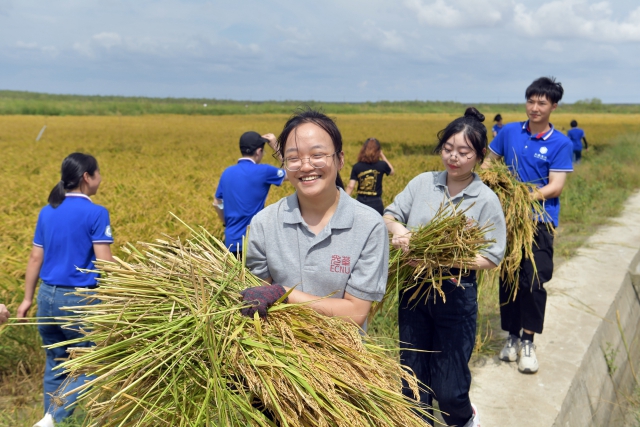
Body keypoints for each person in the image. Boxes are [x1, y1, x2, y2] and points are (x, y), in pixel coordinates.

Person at [384, 107, 507, 427]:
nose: (453, 157)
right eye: (448, 149)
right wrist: (401, 232)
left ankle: (464, 419)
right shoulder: (423, 183)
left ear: (479, 156)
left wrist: (444, 259)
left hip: (456, 292)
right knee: (412, 379)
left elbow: (492, 257)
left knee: (449, 388)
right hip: (413, 290)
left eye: (463, 152)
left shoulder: (485, 199)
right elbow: (390, 214)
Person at [242, 109, 388, 329]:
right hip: (279, 354)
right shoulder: (264, 223)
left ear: (340, 159)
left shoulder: (369, 225)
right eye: (293, 158)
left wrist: (285, 295)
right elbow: (255, 298)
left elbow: (356, 312)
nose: (306, 166)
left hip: (345, 357)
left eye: (317, 155)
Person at [482, 77, 573, 374]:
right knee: (509, 278)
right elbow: (488, 164)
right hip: (508, 220)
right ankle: (511, 336)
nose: (535, 107)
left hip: (539, 221)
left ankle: (529, 340)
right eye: (531, 101)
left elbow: (555, 186)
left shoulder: (560, 142)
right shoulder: (508, 132)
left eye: (542, 103)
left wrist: (523, 196)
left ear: (554, 106)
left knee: (533, 281)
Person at [16, 153, 115, 424]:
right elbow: (105, 264)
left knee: (56, 365)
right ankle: (53, 419)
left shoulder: (48, 211)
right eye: (98, 173)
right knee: (93, 361)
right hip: (79, 301)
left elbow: (36, 257)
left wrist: (27, 299)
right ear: (86, 177)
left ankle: (51, 420)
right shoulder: (96, 213)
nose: (100, 179)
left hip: (46, 298)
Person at [213, 131, 286, 259]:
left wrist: (227, 223)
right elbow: (293, 173)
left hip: (231, 242)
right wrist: (276, 146)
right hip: (255, 242)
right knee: (259, 279)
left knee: (235, 278)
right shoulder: (264, 171)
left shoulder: (227, 172)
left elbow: (217, 203)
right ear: (258, 151)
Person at [345, 137, 395, 215]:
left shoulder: (357, 166)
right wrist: (382, 156)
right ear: (378, 151)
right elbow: (392, 172)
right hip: (376, 202)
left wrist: (343, 201)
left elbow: (350, 186)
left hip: (360, 201)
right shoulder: (382, 165)